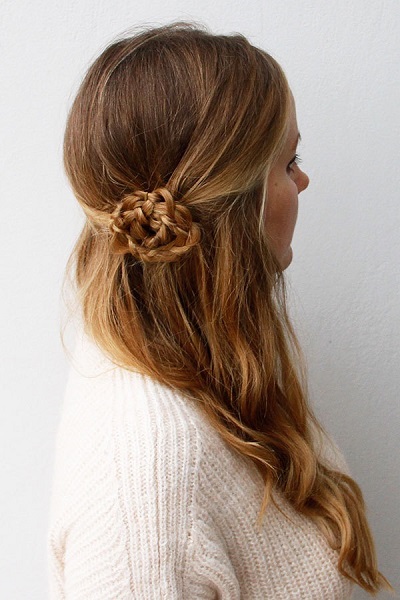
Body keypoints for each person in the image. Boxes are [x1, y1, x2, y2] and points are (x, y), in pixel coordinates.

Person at [47, 22, 391, 599]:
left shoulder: (203, 361)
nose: (303, 181)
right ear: (233, 205)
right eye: (288, 161)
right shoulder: (146, 481)